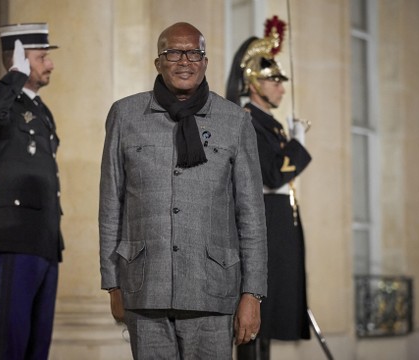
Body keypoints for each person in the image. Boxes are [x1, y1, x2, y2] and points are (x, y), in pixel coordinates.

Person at [98, 22, 267, 359]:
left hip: (213, 290)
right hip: (145, 288)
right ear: (158, 62)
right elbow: (110, 204)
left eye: (194, 53)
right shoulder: (125, 115)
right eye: (173, 52)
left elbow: (251, 214)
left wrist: (253, 292)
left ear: (204, 61)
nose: (184, 61)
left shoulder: (234, 121)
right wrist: (112, 282)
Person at [225, 16, 312, 360]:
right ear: (253, 81)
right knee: (254, 321)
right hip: (264, 224)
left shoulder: (270, 125)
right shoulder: (245, 120)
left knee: (271, 320)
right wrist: (298, 143)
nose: (281, 88)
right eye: (273, 80)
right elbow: (273, 175)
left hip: (278, 224)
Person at [0, 23, 63, 360]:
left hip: (45, 238)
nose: (50, 64)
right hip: (17, 237)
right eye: (42, 57)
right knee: (9, 341)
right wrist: (14, 75)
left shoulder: (40, 110)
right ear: (20, 60)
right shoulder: (1, 105)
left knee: (37, 344)